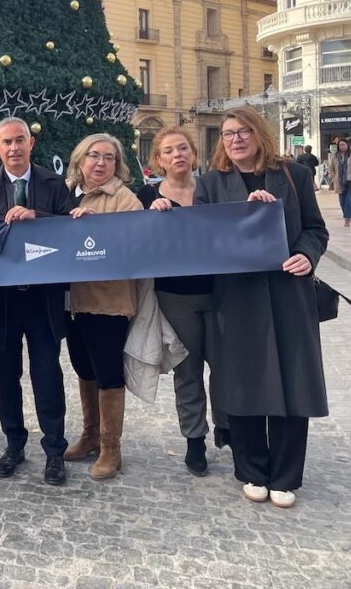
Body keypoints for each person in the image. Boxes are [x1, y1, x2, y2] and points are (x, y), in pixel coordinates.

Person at [195, 106, 328, 509]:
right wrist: (247, 217)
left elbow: (315, 229)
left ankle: (286, 475)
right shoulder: (210, 184)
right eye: (227, 133)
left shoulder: (295, 175)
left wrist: (307, 254)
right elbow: (203, 240)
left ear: (259, 134)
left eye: (243, 132)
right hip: (238, 296)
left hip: (289, 294)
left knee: (293, 378)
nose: (234, 139)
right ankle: (252, 469)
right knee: (243, 379)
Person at [0, 118, 69, 486]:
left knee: (48, 376)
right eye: (7, 142)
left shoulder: (54, 185)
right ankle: (14, 444)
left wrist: (37, 217)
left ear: (32, 143)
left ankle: (55, 450)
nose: (14, 148)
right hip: (3, 304)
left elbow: (69, 234)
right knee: (6, 377)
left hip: (43, 301)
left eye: (20, 141)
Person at [136, 126, 227, 476]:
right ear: (158, 159)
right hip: (175, 295)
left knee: (225, 366)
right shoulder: (147, 195)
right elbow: (132, 236)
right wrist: (150, 213)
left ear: (194, 154)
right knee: (187, 371)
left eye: (183, 148)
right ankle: (194, 440)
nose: (177, 155)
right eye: (169, 150)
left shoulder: (213, 190)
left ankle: (227, 426)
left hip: (220, 291)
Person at [62, 133, 142, 481]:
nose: (100, 163)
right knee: (83, 367)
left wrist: (96, 229)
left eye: (109, 158)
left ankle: (112, 447)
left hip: (108, 301)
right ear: (80, 159)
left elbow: (131, 249)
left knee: (108, 372)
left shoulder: (125, 200)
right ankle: (90, 434)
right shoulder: (64, 193)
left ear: (117, 164)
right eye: (94, 156)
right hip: (71, 301)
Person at [327, 137, 351, 227]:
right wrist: (333, 177)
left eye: (343, 145)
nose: (342, 147)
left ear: (347, 145)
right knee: (342, 201)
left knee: (349, 199)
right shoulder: (335, 156)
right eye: (340, 145)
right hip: (340, 181)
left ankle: (347, 219)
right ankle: (346, 215)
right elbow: (331, 168)